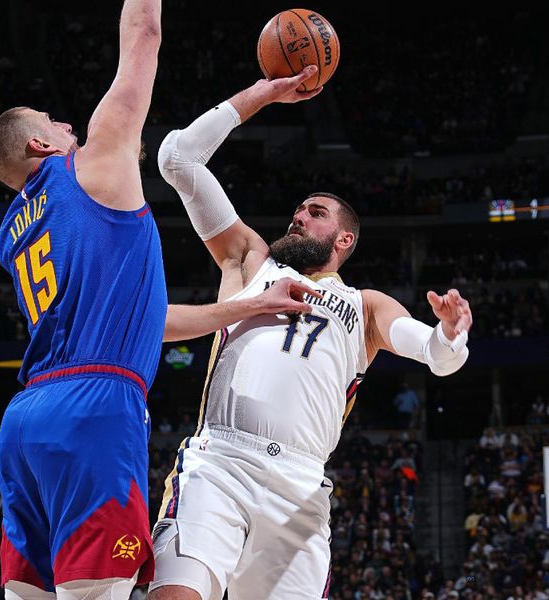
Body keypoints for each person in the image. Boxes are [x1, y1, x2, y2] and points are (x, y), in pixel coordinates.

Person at [0, 2, 316, 598]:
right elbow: (143, 31)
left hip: (27, 419)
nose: (67, 125)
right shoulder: (94, 160)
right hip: (94, 408)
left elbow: (146, 322)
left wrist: (246, 307)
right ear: (38, 143)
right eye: (52, 121)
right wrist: (261, 93)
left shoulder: (15, 229)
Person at [149, 66, 473, 600]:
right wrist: (262, 94)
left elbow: (437, 357)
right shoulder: (251, 260)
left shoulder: (366, 306)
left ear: (344, 238)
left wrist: (451, 333)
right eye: (298, 208)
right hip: (221, 464)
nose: (298, 216)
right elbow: (177, 159)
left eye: (315, 212)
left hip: (300, 488)